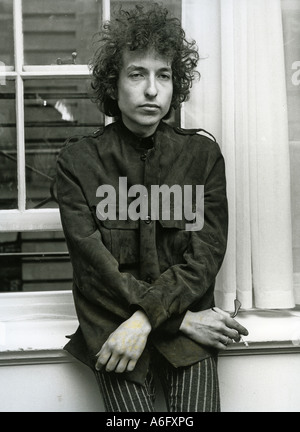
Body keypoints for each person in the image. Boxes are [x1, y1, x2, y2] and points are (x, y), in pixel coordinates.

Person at [56, 3, 248, 412]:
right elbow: (95, 271)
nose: (151, 89)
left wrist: (148, 320)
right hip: (114, 329)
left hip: (184, 334)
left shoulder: (203, 156)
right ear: (113, 85)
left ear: (176, 84)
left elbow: (204, 258)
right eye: (136, 73)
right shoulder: (77, 163)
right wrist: (179, 318)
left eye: (163, 75)